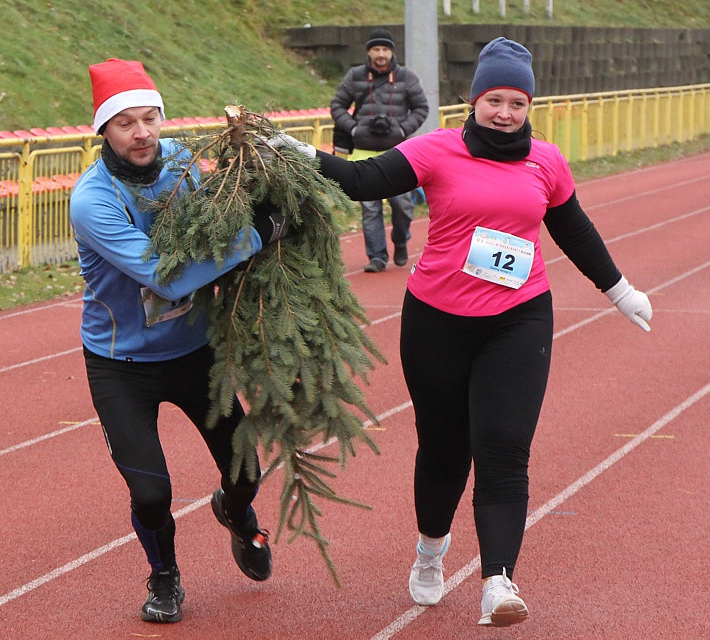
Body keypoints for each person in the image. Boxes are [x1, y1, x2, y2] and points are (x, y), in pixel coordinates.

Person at [273, 37, 652, 627]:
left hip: (519, 320)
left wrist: (620, 290)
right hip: (437, 321)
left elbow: (573, 230)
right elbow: (363, 180)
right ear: (474, 100)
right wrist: (296, 153)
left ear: (530, 107)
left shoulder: (546, 162)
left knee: (504, 450)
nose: (504, 112)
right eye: (494, 99)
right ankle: (430, 549)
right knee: (445, 451)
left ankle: (497, 580)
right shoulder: (437, 151)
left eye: (517, 103)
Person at [70, 58, 286, 624]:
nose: (141, 133)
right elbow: (168, 276)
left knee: (245, 473)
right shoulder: (93, 201)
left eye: (150, 118)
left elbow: (216, 221)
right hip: (122, 365)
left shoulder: (183, 164)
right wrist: (257, 235)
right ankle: (164, 576)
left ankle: (237, 517)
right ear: (103, 131)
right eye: (125, 123)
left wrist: (258, 196)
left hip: (194, 352)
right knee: (150, 494)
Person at [330, 28, 429, 273]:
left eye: (385, 49)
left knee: (402, 205)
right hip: (363, 151)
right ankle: (377, 257)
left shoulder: (407, 77)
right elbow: (337, 105)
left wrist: (402, 130)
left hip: (398, 151)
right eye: (376, 49)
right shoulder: (355, 76)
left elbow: (421, 108)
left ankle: (401, 238)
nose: (381, 54)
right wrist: (353, 130)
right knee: (370, 208)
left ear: (392, 52)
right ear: (369, 52)